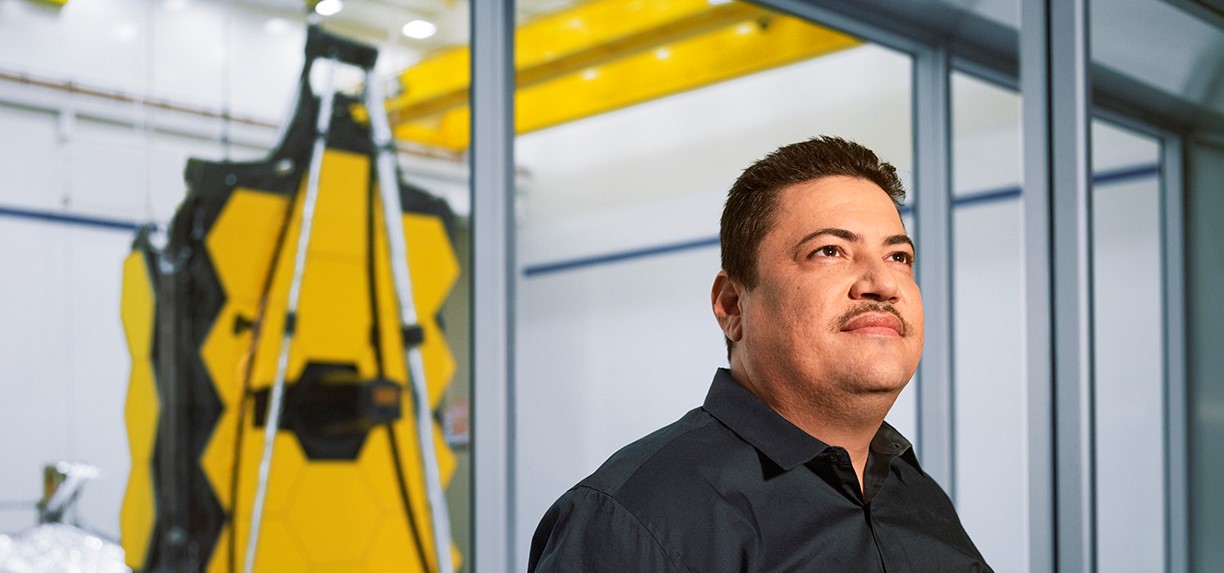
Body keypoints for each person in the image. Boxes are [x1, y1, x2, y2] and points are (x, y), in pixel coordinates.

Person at [527, 136, 991, 572]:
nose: (884, 283)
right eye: (830, 251)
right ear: (733, 305)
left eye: (899, 257)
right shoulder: (631, 522)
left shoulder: (921, 498)